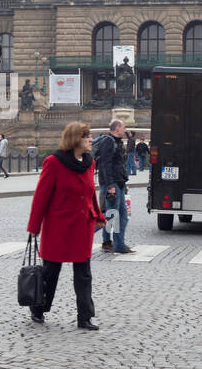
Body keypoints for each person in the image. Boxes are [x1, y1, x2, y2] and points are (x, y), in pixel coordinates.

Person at [26, 121, 105, 331]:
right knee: (50, 272)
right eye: (87, 136)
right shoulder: (53, 162)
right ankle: (38, 309)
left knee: (84, 274)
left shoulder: (89, 162)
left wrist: (97, 214)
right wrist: (34, 225)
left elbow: (90, 192)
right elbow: (41, 197)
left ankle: (85, 317)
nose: (91, 140)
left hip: (82, 227)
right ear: (75, 139)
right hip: (59, 227)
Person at [95, 118, 135, 254]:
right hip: (112, 184)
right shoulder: (108, 141)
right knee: (111, 215)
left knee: (123, 216)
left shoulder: (117, 142)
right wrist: (110, 185)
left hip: (119, 183)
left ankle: (119, 245)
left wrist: (123, 183)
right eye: (123, 127)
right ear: (117, 128)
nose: (125, 130)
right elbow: (105, 165)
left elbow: (117, 165)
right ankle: (84, 231)